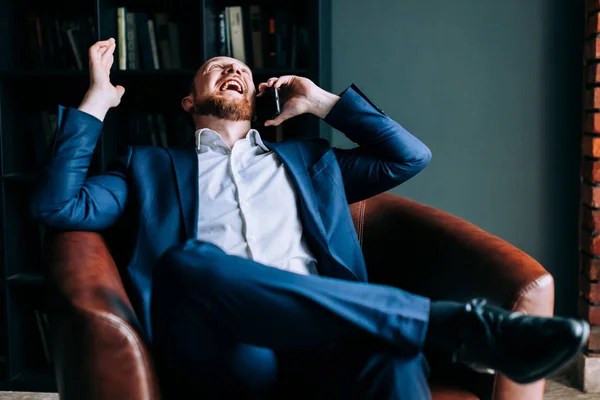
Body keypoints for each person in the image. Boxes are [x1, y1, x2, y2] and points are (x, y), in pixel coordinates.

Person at [30, 38, 588, 400]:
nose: (231, 69)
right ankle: (454, 324)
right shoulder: (147, 166)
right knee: (188, 263)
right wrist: (97, 100)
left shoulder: (312, 160)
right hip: (223, 347)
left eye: (241, 69)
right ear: (187, 102)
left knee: (391, 359)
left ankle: (439, 327)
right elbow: (57, 206)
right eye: (215, 67)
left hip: (326, 338)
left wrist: (323, 103)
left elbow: (410, 156)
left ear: (255, 96)